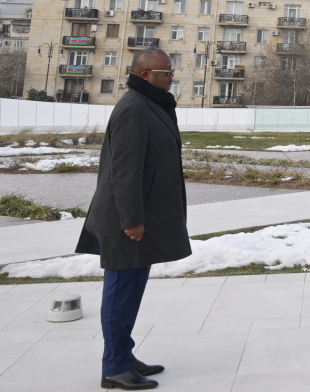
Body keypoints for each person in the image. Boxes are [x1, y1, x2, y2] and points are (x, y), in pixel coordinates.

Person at [76, 48, 192, 390]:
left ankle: (124, 356)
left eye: (171, 72)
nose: (171, 77)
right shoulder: (133, 109)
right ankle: (114, 367)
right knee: (120, 293)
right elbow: (124, 172)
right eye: (166, 73)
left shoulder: (150, 104)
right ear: (145, 76)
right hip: (126, 220)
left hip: (140, 216)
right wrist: (131, 220)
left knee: (131, 291)